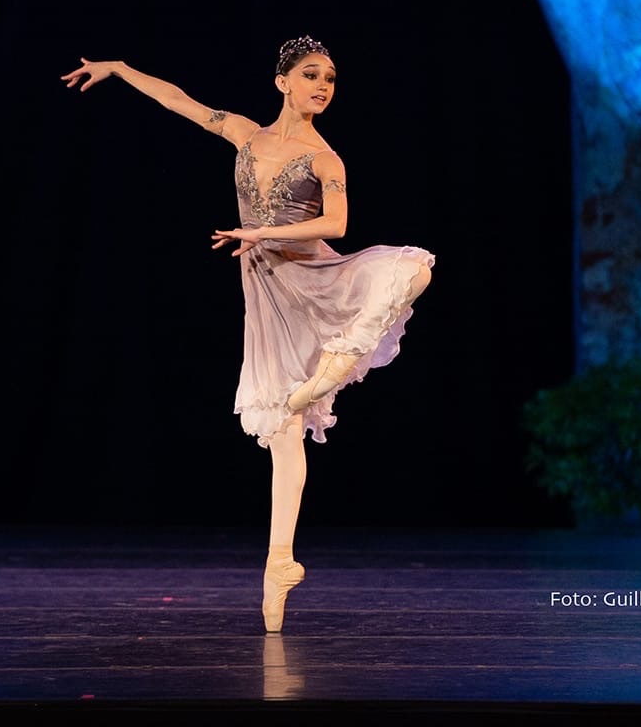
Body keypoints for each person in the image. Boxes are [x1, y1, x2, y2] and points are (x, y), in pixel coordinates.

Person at [60, 36, 434, 633]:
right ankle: (278, 564)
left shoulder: (325, 159)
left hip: (312, 276)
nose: (323, 86)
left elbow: (338, 223)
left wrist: (260, 234)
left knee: (415, 269)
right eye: (311, 75)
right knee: (283, 431)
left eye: (330, 79)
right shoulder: (245, 134)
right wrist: (122, 68)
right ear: (282, 80)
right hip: (270, 295)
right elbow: (179, 101)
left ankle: (333, 368)